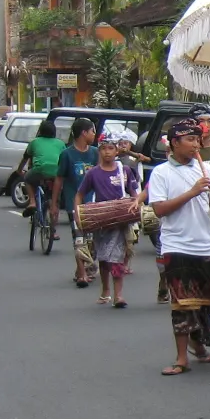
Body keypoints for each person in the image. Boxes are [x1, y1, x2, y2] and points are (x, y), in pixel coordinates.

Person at [146, 116, 210, 376]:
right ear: (174, 142)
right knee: (181, 304)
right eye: (190, 139)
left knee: (205, 302)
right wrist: (193, 191)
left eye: (198, 140)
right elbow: (159, 209)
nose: (196, 145)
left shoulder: (206, 170)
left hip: (207, 244)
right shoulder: (161, 173)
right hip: (177, 244)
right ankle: (181, 358)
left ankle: (198, 344)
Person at [76, 130, 144, 307]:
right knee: (104, 258)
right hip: (101, 222)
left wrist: (137, 205)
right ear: (99, 151)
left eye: (111, 148)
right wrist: (78, 214)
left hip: (120, 222)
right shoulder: (93, 173)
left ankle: (118, 295)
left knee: (118, 259)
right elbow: (80, 194)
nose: (107, 152)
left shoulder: (125, 171)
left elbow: (134, 193)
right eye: (104, 148)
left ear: (117, 151)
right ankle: (105, 290)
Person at [56, 117, 101, 288]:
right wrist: (54, 204)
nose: (94, 134)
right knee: (79, 238)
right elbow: (59, 179)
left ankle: (83, 267)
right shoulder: (67, 154)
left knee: (93, 240)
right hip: (74, 204)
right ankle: (82, 273)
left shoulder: (95, 153)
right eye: (92, 131)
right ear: (84, 133)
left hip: (93, 203)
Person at [18, 119, 64, 228]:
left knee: (27, 178)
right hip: (56, 172)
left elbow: (25, 158)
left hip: (40, 170)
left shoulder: (35, 142)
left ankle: (32, 202)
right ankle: (53, 231)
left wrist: (19, 170)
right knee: (55, 202)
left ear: (40, 131)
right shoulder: (60, 143)